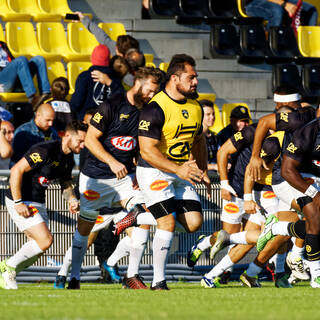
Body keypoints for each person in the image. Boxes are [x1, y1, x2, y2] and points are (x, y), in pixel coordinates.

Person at [68, 67, 163, 290]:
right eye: (150, 90)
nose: (151, 95)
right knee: (85, 229)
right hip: (96, 177)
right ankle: (73, 276)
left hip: (125, 178)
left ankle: (132, 275)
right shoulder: (111, 105)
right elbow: (91, 140)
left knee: (142, 215)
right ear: (138, 84)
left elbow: (142, 146)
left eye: (155, 92)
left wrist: (139, 171)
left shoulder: (148, 111)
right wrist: (111, 161)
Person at [136, 54, 211, 290]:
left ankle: (138, 216)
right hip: (154, 171)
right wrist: (179, 169)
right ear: (174, 78)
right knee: (167, 222)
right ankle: (159, 281)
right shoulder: (155, 108)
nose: (195, 82)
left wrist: (202, 168)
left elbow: (198, 140)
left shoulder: (195, 106)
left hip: (182, 171)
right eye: (191, 77)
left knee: (194, 223)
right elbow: (147, 151)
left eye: (196, 77)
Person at [0, 120, 87, 290]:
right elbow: (16, 170)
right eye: (80, 141)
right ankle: (8, 267)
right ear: (67, 135)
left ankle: (7, 268)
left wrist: (72, 199)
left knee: (40, 246)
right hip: (20, 199)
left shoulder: (68, 158)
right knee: (45, 240)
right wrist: (18, 202)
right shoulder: (45, 150)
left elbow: (66, 182)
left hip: (38, 201)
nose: (83, 146)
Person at [71, 44, 123, 120]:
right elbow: (122, 98)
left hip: (85, 121)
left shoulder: (84, 77)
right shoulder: (115, 79)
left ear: (91, 58)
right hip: (107, 122)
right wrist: (110, 82)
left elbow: (76, 102)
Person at [0, 41, 50, 109]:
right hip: (2, 81)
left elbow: (12, 61)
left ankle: (45, 93)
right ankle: (32, 97)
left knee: (39, 59)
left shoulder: (2, 45)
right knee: (21, 59)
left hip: (14, 79)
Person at [10, 103, 59, 167]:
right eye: (48, 120)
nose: (50, 124)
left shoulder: (53, 132)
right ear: (38, 115)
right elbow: (17, 159)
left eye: (52, 120)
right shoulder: (23, 131)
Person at [245, 0, 318, 28]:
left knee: (310, 10)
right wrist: (285, 4)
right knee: (276, 11)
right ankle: (272, 44)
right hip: (254, 3)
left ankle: (309, 45)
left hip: (282, 2)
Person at [199, 100, 219, 172]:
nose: (212, 117)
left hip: (214, 176)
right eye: (208, 114)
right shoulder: (195, 137)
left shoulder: (215, 137)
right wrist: (214, 166)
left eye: (213, 114)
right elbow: (191, 164)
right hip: (200, 177)